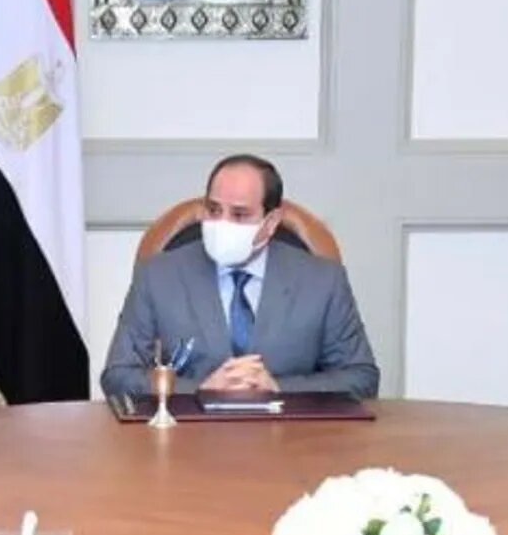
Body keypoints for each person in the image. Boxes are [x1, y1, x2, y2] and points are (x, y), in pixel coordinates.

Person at [100, 154, 379, 399]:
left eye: (240, 214)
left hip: (292, 435)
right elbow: (117, 376)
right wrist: (200, 389)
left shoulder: (323, 280)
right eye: (214, 210)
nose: (222, 223)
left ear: (271, 222)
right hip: (189, 436)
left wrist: (278, 388)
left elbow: (361, 378)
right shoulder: (158, 275)